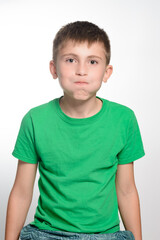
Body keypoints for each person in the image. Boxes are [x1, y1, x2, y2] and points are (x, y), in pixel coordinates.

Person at [5, 21, 145, 240]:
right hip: (46, 233)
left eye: (92, 61)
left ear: (107, 72)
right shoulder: (35, 120)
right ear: (54, 68)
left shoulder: (124, 119)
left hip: (104, 235)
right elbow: (22, 192)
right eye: (71, 60)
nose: (81, 71)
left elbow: (126, 190)